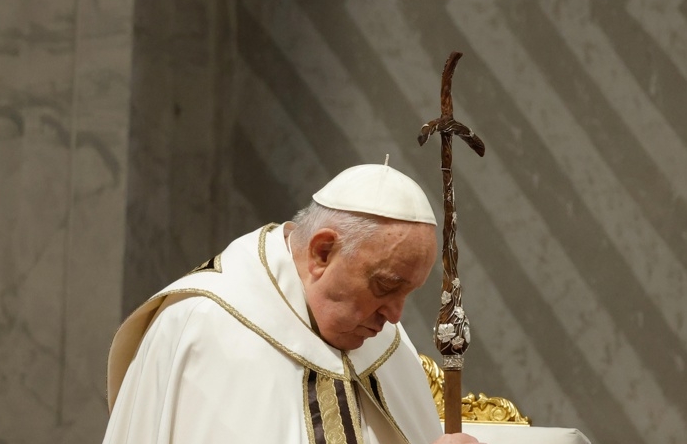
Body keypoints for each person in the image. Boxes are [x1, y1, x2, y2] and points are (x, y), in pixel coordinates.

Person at [103, 163, 481, 444]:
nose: (395, 316)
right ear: (322, 252)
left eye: (408, 294)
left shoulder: (386, 347)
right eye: (384, 286)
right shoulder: (203, 329)